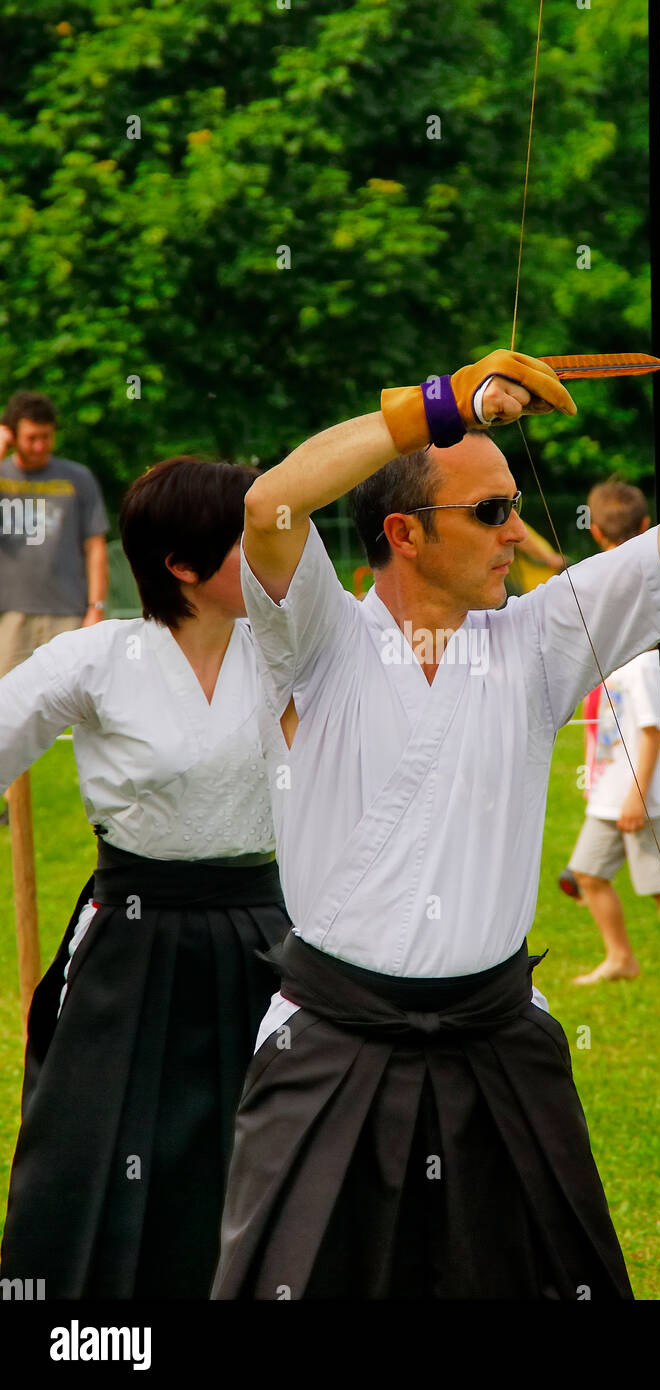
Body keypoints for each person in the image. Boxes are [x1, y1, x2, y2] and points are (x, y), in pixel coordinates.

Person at [212, 347, 660, 1301]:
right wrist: (436, 405)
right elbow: (271, 506)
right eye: (489, 512)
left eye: (516, 508)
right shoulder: (322, 637)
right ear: (403, 531)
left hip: (497, 1041)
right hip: (331, 1044)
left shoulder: (537, 640)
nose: (517, 535)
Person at [0, 457, 290, 1299]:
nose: (272, 557)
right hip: (131, 930)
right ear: (182, 566)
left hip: (263, 935)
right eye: (247, 540)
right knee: (93, 1149)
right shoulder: (101, 657)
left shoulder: (292, 646)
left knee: (265, 1149)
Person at [556, 481, 660, 985]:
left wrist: (637, 797)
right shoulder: (610, 656)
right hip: (609, 794)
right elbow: (597, 715)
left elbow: (650, 732)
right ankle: (620, 957)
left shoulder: (640, 659)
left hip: (641, 797)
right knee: (588, 875)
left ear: (595, 531)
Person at [0, 391, 109, 825]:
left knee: (85, 711)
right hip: (12, 614)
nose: (41, 446)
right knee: (6, 711)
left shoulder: (76, 478)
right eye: (31, 438)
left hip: (69, 609)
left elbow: (95, 545)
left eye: (47, 437)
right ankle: (10, 806)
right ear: (13, 434)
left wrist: (96, 606)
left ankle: (101, 802)